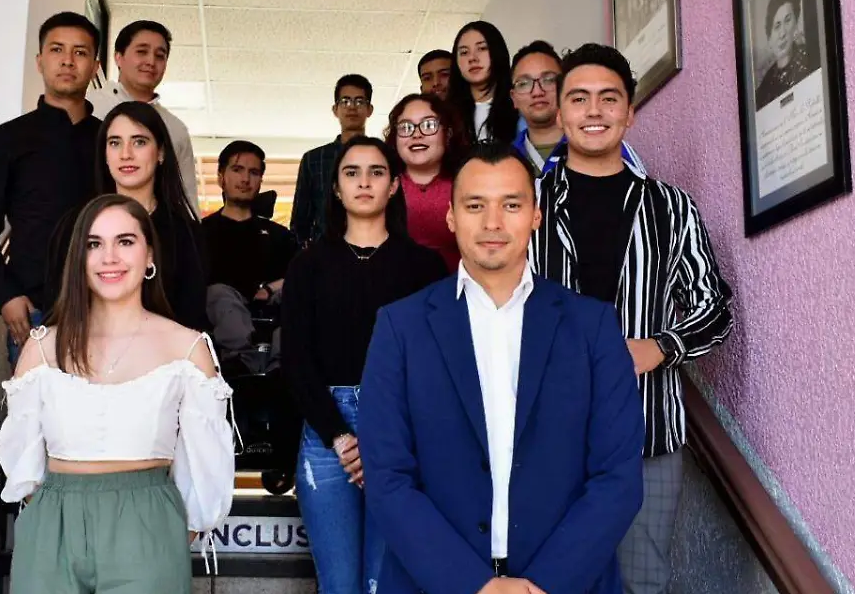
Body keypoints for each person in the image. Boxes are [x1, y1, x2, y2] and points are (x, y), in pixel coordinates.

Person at [357, 141, 645, 594]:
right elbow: (387, 477)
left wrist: (544, 583)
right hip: (433, 584)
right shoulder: (400, 327)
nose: (492, 222)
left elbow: (618, 478)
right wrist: (473, 585)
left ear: (536, 215)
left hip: (566, 584)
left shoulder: (592, 326)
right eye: (475, 205)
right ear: (451, 217)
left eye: (511, 204)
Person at [530, 43, 733, 594]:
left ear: (629, 113)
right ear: (560, 112)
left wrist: (660, 346)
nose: (594, 110)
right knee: (549, 580)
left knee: (641, 583)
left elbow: (715, 308)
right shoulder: (526, 207)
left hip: (648, 432)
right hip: (544, 434)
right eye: (579, 98)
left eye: (609, 98)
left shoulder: (672, 207)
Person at [0, 193, 235, 594]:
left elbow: (204, 461)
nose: (109, 257)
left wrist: (173, 531)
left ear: (149, 254)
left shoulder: (187, 348)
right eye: (94, 243)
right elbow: (23, 459)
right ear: (80, 258)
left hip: (148, 524)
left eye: (125, 241)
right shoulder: (41, 348)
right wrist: (54, 514)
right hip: (52, 525)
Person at [282, 136, 447, 594]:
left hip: (401, 431)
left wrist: (386, 439)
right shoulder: (308, 266)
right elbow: (296, 360)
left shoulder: (425, 267)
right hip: (325, 432)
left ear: (394, 185)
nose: (364, 182)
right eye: (351, 173)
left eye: (376, 172)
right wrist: (341, 437)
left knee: (386, 583)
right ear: (336, 188)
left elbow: (435, 364)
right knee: (339, 584)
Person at [0, 11, 103, 365]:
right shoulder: (10, 137)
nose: (68, 60)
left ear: (95, 67)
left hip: (105, 313)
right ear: (40, 61)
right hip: (34, 314)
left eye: (80, 52)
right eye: (57, 50)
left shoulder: (110, 140)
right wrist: (5, 293)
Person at [85, 101, 209, 332]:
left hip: (167, 351)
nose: (126, 154)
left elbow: (192, 322)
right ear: (104, 154)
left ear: (161, 152)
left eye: (139, 142)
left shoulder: (186, 234)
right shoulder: (78, 226)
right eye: (115, 143)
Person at [202, 140, 299, 374]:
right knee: (217, 294)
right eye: (237, 170)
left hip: (274, 315)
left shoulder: (280, 236)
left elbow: (300, 276)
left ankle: (280, 370)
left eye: (253, 172)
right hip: (224, 325)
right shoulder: (199, 234)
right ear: (221, 177)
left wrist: (270, 289)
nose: (245, 179)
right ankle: (244, 362)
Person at [509, 40, 646, 177]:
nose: (537, 92)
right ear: (513, 97)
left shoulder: (614, 148)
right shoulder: (506, 157)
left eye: (549, 79)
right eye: (523, 83)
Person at [103, 20, 200, 211]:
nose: (151, 62)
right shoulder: (92, 107)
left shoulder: (175, 129)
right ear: (118, 57)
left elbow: (186, 198)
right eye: (142, 52)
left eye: (160, 56)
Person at [384, 92, 467, 271]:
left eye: (429, 125)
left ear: (447, 133)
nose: (416, 134)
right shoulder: (381, 186)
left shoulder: (468, 183)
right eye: (406, 127)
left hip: (457, 284)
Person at [290, 74, 374, 247]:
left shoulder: (383, 156)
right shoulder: (313, 159)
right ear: (335, 109)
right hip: (325, 252)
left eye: (359, 101)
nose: (352, 107)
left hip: (374, 250)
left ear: (369, 109)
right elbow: (300, 221)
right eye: (345, 101)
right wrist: (308, 254)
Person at [448, 21, 520, 145]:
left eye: (482, 48)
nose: (472, 58)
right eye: (464, 52)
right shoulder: (447, 114)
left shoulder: (518, 105)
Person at [755, 0, 819, 110]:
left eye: (788, 20)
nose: (783, 33)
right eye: (777, 26)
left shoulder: (811, 59)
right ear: (769, 36)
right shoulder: (764, 89)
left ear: (796, 22)